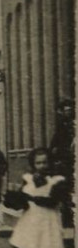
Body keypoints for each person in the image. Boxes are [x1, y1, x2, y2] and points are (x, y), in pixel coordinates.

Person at [8, 147, 69, 248]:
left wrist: (32, 198)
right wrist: (15, 198)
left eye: (45, 162)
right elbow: (23, 200)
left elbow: (53, 201)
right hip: (31, 220)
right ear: (33, 164)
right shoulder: (28, 178)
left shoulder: (56, 181)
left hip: (48, 221)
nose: (42, 166)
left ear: (50, 163)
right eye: (38, 163)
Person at [49, 98, 74, 228]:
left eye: (70, 110)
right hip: (66, 164)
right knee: (65, 199)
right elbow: (54, 146)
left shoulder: (70, 125)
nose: (68, 112)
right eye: (66, 110)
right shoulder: (61, 127)